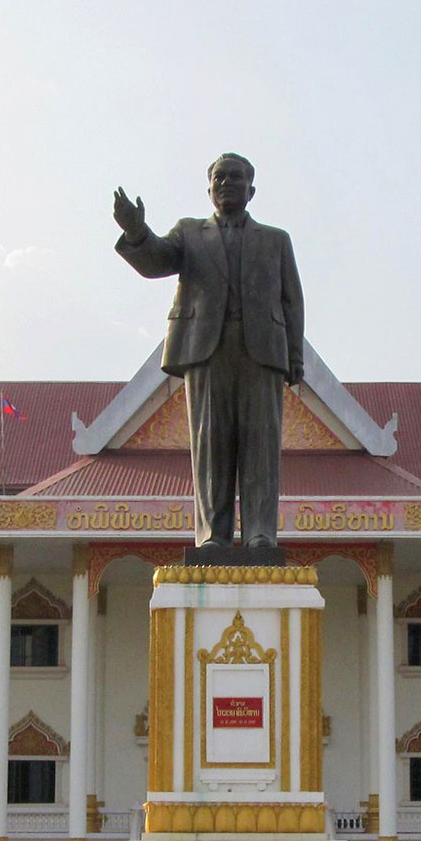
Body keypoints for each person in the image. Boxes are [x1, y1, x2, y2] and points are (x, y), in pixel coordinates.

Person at [113, 154, 305, 554]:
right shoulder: (190, 233)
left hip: (262, 351)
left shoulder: (275, 239)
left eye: (237, 178)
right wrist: (136, 232)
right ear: (209, 189)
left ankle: (259, 534)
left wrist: (295, 357)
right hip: (206, 348)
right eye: (220, 177)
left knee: (261, 446)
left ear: (252, 191)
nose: (227, 183)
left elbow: (292, 300)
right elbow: (157, 262)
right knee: (210, 443)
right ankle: (213, 535)